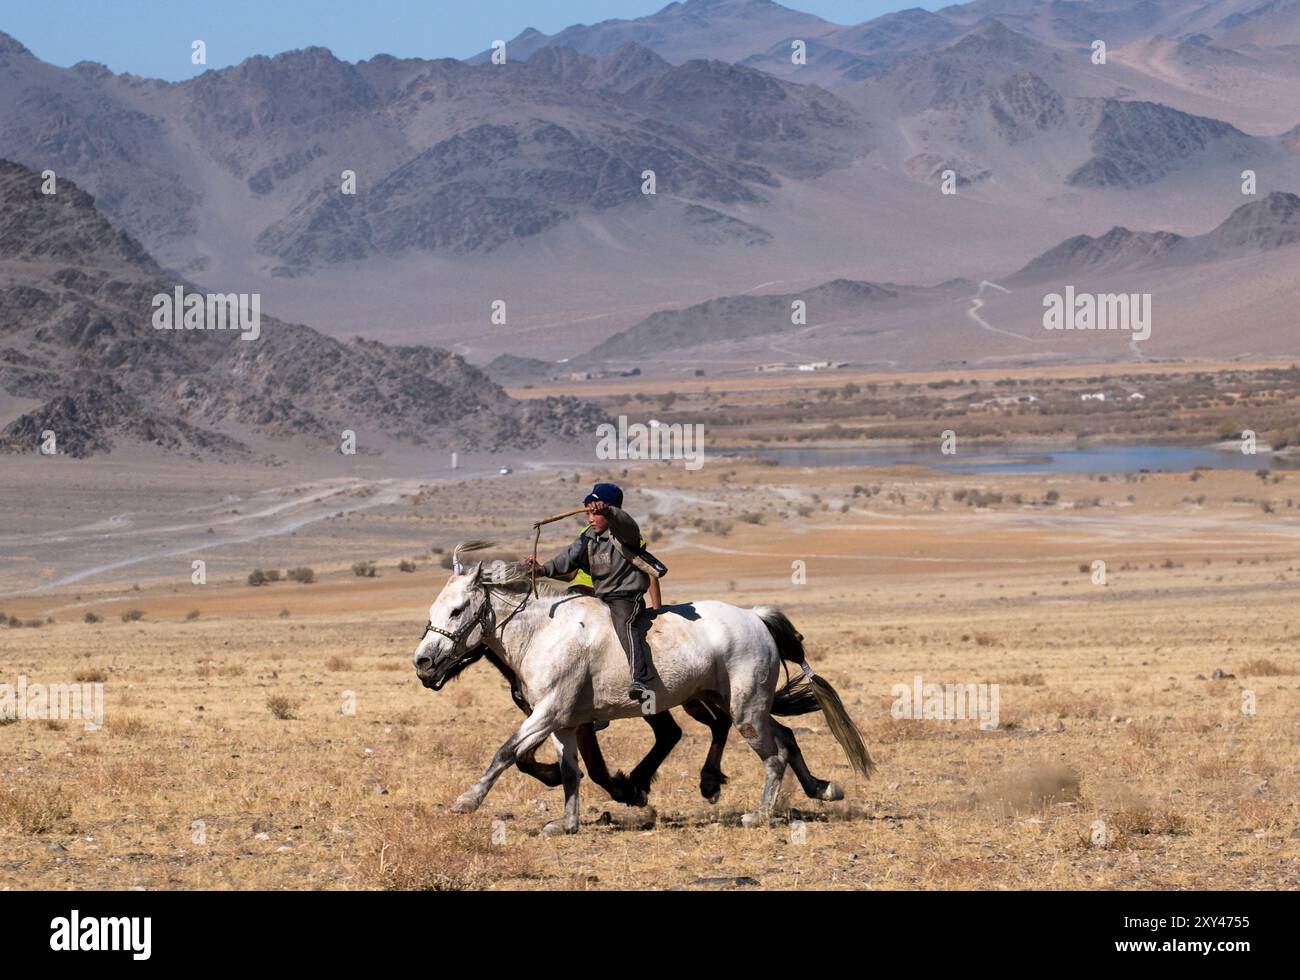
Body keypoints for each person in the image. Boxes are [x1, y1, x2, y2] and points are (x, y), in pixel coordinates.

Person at [524, 483, 664, 702]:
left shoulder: (624, 534)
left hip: (624, 598)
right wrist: (541, 570)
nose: (590, 518)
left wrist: (609, 512)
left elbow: (626, 522)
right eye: (588, 513)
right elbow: (566, 559)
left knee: (624, 623)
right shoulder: (588, 537)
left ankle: (641, 678)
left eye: (595, 513)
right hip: (599, 598)